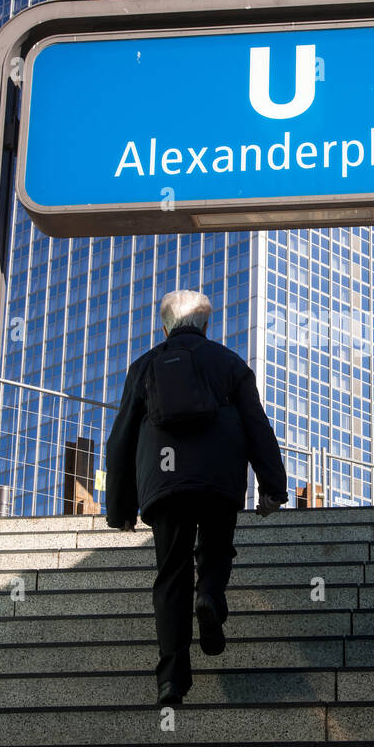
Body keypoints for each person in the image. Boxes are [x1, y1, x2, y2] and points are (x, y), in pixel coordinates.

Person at [105, 289, 289, 705]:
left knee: (170, 573)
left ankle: (171, 678)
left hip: (163, 479)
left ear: (164, 326)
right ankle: (209, 594)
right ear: (207, 325)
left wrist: (121, 508)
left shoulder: (145, 365)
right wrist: (273, 488)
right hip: (220, 474)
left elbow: (121, 440)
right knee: (217, 544)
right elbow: (258, 426)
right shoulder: (229, 363)